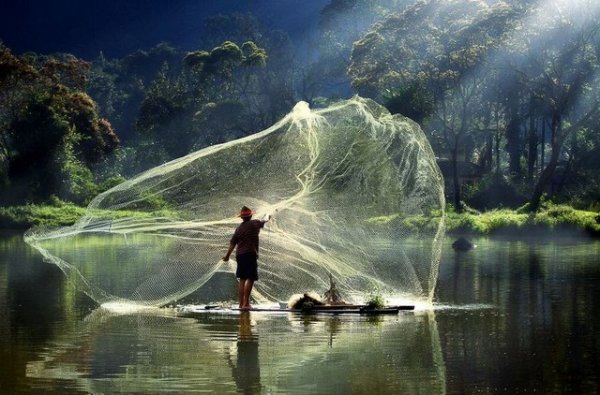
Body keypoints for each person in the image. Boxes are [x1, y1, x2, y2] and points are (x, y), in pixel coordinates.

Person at [223, 206, 270, 310]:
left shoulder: (239, 228)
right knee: (251, 278)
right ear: (251, 215)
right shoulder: (255, 223)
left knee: (242, 279)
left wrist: (227, 256)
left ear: (242, 218)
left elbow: (232, 243)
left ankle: (241, 304)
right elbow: (265, 219)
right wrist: (268, 214)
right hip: (250, 254)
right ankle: (246, 304)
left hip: (240, 255)